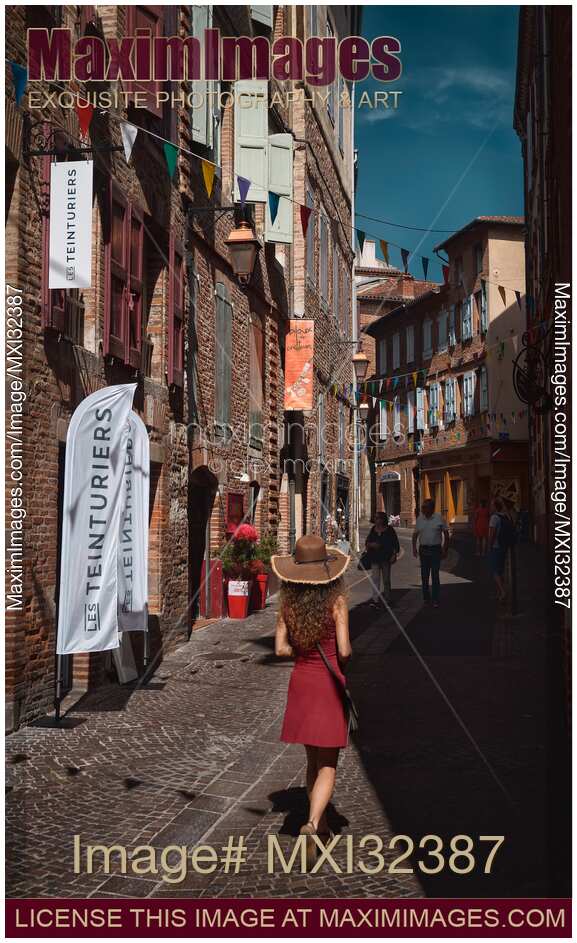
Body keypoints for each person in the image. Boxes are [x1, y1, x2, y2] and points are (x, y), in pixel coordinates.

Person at [272, 535, 352, 866]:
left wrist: (301, 650)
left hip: (302, 683)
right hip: (328, 685)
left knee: (312, 760)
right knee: (328, 764)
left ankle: (321, 825)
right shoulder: (337, 603)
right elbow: (344, 650)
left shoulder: (287, 606)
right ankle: (312, 823)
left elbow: (280, 649)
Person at [412, 498, 449, 608]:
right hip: (423, 550)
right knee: (424, 576)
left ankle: (435, 599)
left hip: (435, 550)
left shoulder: (439, 518)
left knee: (435, 575)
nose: (422, 509)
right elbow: (415, 535)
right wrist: (414, 548)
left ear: (431, 508)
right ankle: (426, 598)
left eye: (424, 507)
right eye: (422, 507)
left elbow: (446, 535)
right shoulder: (420, 519)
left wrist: (445, 549)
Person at [365, 512, 400, 607]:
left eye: (378, 518)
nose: (376, 520)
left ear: (383, 519)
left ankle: (388, 599)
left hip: (386, 558)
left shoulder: (390, 530)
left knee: (386, 580)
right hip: (375, 558)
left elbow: (395, 543)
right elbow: (368, 542)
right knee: (375, 579)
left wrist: (394, 554)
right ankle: (375, 600)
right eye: (375, 518)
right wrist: (372, 544)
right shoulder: (373, 529)